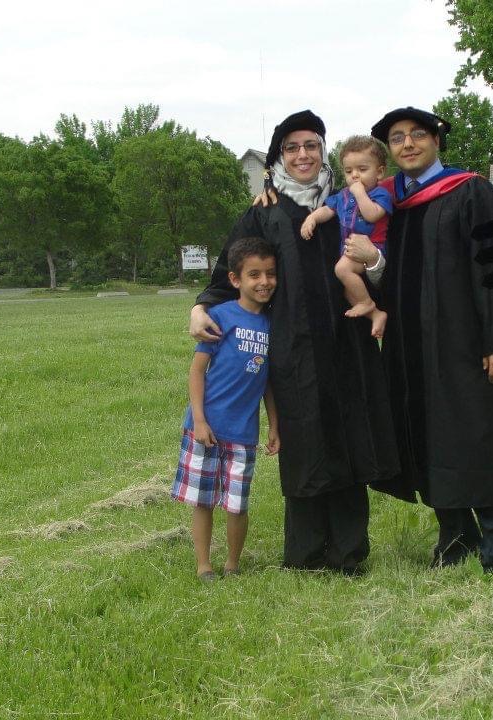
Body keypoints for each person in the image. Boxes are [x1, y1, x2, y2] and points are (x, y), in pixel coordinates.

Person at [189, 110, 398, 575]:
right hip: (292, 348)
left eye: (311, 146)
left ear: (324, 152)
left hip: (347, 341)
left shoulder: (350, 200)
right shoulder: (264, 211)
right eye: (292, 147)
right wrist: (200, 306)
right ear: (278, 156)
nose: (302, 154)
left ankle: (348, 554)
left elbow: (387, 255)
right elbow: (231, 270)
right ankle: (305, 555)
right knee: (303, 442)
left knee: (347, 439)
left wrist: (378, 264)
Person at [361, 107, 493, 572]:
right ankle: (455, 536)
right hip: (411, 349)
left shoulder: (470, 191)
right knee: (428, 439)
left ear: (437, 142)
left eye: (418, 135)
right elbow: (395, 281)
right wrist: (372, 265)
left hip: (466, 345)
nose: (408, 143)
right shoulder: (396, 207)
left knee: (475, 435)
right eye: (399, 137)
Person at [173, 236, 280, 582]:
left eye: (270, 274)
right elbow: (196, 372)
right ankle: (204, 564)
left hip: (243, 433)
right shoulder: (218, 317)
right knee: (203, 500)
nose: (263, 282)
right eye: (254, 275)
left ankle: (233, 564)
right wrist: (200, 420)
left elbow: (266, 382)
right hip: (206, 429)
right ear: (235, 279)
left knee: (237, 503)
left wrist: (273, 425)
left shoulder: (272, 325)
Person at [300, 135, 392, 338]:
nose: (355, 176)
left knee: (341, 269)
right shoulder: (342, 196)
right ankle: (376, 314)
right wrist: (312, 218)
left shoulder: (380, 194)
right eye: (349, 171)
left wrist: (360, 194)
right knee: (348, 288)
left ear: (380, 172)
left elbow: (372, 214)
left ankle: (367, 303)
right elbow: (328, 210)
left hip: (373, 249)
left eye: (362, 169)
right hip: (349, 250)